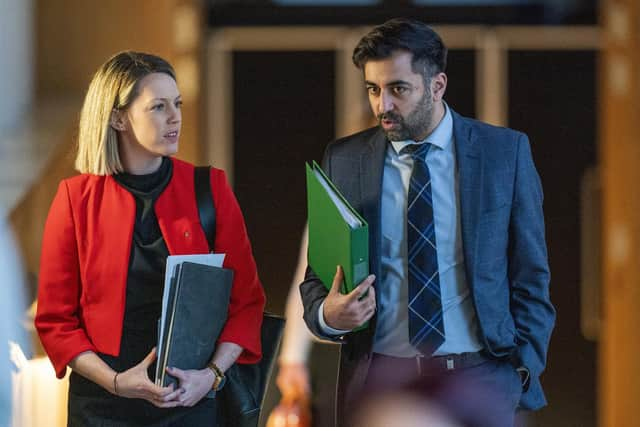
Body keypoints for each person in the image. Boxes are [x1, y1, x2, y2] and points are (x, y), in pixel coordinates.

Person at [300, 18, 555, 427]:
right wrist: (329, 316)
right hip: (379, 381)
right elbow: (317, 279)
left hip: (481, 377)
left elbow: (531, 275)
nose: (382, 104)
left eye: (398, 89)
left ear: (437, 86)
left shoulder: (503, 154)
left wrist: (520, 372)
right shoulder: (345, 161)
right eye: (373, 89)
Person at [35, 51, 265, 426]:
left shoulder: (210, 189)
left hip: (190, 397)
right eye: (158, 107)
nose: (175, 117)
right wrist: (115, 382)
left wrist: (211, 376)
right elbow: (56, 322)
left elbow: (247, 304)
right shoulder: (75, 199)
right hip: (102, 404)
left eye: (177, 104)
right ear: (118, 117)